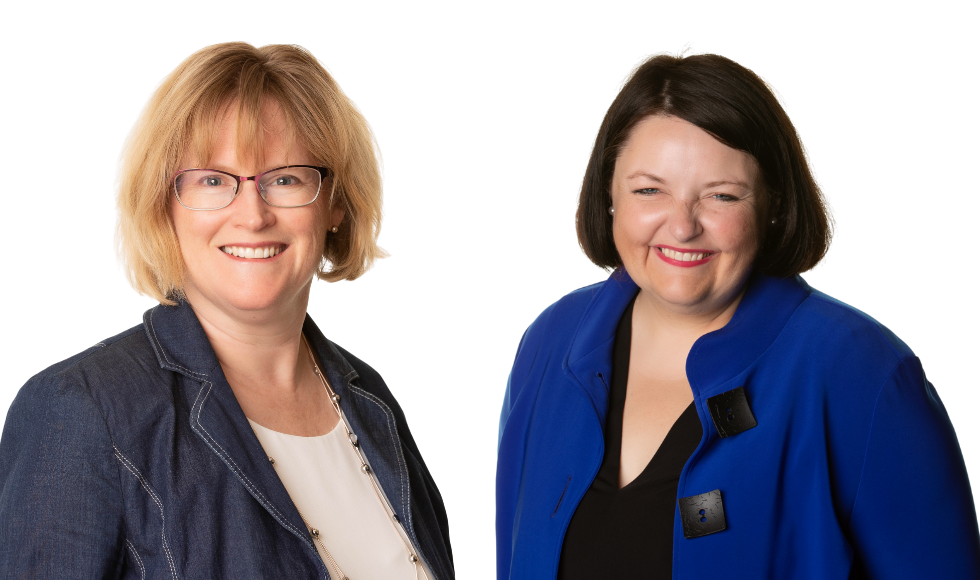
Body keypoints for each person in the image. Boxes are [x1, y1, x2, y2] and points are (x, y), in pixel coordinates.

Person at [496, 53, 980, 579]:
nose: (682, 227)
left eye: (721, 196)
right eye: (648, 190)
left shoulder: (861, 374)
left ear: (772, 204)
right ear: (609, 195)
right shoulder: (551, 341)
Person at [0, 42, 453, 580]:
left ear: (335, 203)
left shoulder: (371, 402)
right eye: (213, 180)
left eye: (285, 178)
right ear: (163, 205)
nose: (253, 215)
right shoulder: (83, 411)